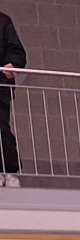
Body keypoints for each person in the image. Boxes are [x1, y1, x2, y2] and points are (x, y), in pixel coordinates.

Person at [0, 11, 28, 186]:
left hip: (0, 87)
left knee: (1, 128)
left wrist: (13, 64)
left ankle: (7, 171)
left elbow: (17, 52)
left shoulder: (3, 21)